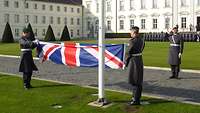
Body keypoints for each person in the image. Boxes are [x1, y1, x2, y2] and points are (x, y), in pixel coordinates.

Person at [126, 26, 145, 105]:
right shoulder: (142, 40)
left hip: (133, 61)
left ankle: (135, 100)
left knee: (135, 81)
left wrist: (125, 62)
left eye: (131, 32)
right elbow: (142, 48)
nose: (130, 33)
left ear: (134, 32)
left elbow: (128, 53)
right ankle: (136, 97)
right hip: (139, 60)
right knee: (138, 80)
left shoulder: (132, 41)